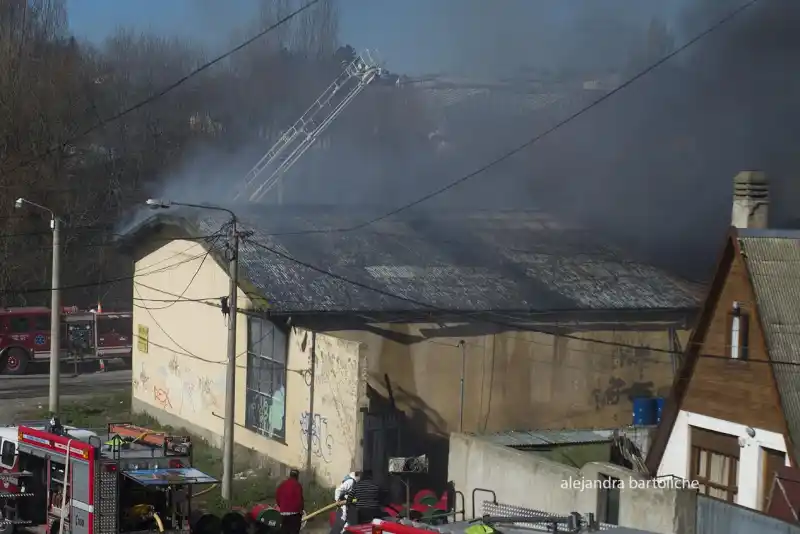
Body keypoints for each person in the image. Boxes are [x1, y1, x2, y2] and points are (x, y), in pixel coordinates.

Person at [276, 469, 304, 534]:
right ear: (297, 476)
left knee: (284, 531)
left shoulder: (282, 485)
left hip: (283, 513)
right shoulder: (297, 485)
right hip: (294, 514)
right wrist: (301, 509)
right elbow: (299, 499)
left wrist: (282, 507)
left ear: (290, 475)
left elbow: (277, 497)